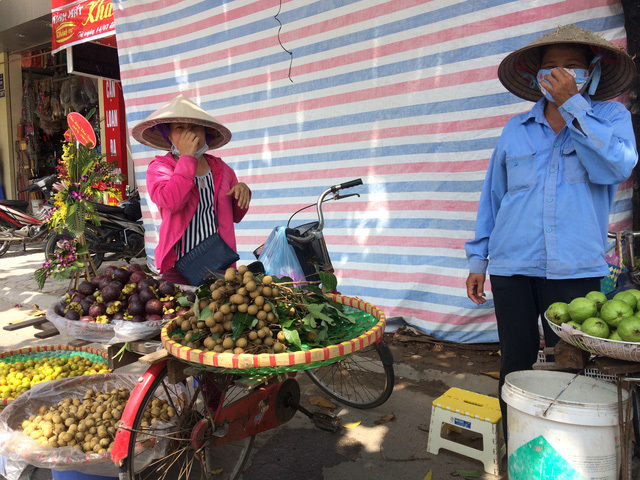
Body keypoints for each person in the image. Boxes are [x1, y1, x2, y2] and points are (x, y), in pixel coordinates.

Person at [464, 24, 638, 446]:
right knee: (516, 359)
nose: (560, 73)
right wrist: (478, 261)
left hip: (575, 265)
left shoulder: (611, 118)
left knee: (576, 361)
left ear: (592, 72)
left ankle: (575, 447)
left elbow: (617, 167)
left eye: (573, 66)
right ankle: (517, 441)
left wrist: (574, 106)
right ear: (536, 75)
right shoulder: (516, 128)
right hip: (512, 263)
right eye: (551, 66)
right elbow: (494, 197)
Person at [132, 94, 251, 285]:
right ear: (169, 135)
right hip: (178, 267)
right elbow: (172, 202)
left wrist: (242, 191)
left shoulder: (222, 169)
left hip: (219, 263)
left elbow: (235, 215)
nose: (189, 134)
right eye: (180, 128)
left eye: (194, 127)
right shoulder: (160, 168)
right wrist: (188, 158)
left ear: (205, 132)